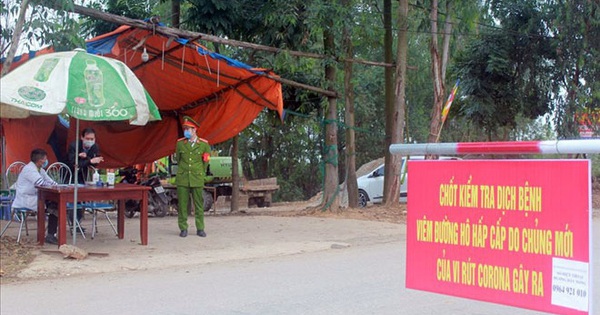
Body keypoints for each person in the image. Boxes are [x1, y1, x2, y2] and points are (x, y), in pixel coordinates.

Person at [11, 149, 59, 244]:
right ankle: (49, 234)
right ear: (40, 160)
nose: (46, 161)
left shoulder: (40, 170)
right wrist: (52, 186)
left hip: (36, 197)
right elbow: (40, 183)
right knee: (54, 205)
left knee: (56, 203)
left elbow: (50, 181)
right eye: (45, 159)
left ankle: (51, 234)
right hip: (26, 199)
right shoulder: (29, 169)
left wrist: (58, 186)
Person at [175, 116, 211, 238]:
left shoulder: (204, 145)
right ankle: (183, 228)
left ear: (195, 130)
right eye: (185, 129)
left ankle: (200, 228)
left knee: (199, 205)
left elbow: (205, 161)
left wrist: (200, 172)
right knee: (183, 205)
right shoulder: (180, 144)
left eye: (188, 129)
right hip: (183, 178)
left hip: (197, 177)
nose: (186, 131)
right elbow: (179, 160)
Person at [67, 127, 104, 229]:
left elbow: (94, 163)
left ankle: (78, 223)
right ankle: (74, 224)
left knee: (84, 198)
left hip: (87, 176)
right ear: (82, 137)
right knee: (75, 199)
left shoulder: (95, 147)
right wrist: (88, 161)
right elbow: (74, 163)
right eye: (88, 138)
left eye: (92, 139)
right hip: (73, 175)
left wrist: (93, 160)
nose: (90, 141)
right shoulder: (74, 146)